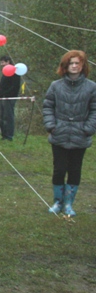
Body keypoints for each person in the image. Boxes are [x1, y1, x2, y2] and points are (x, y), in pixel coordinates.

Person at [42, 50, 96, 216]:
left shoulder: (91, 87)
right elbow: (48, 106)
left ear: (83, 66)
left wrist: (88, 128)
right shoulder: (55, 86)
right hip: (59, 134)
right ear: (65, 66)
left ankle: (68, 204)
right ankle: (58, 202)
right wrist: (51, 126)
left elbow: (94, 110)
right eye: (71, 63)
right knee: (59, 169)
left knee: (75, 169)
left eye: (77, 63)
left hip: (80, 135)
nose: (74, 66)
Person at [0, 55, 22, 141]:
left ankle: (9, 136)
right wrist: (0, 94)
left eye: (3, 62)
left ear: (8, 62)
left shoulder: (15, 72)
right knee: (1, 117)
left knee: (8, 116)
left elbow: (15, 86)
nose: (1, 64)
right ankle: (3, 135)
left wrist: (6, 94)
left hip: (9, 98)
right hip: (2, 98)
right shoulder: (5, 72)